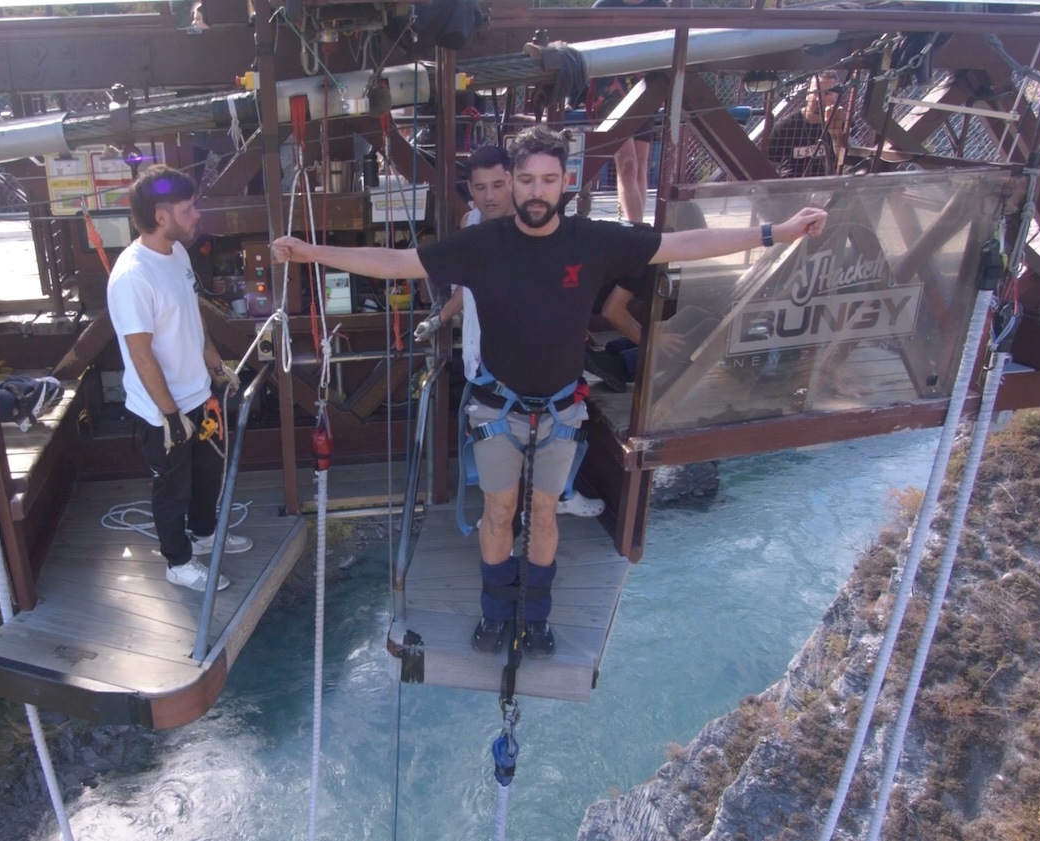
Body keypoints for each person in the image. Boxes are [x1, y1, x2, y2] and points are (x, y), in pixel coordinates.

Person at [273, 125, 827, 657]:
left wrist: (774, 233)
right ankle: (496, 611)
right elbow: (396, 262)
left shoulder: (593, 241)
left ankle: (533, 618)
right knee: (498, 511)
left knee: (543, 515)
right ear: (512, 183)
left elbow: (681, 243)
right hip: (498, 407)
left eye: (547, 179)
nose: (536, 192)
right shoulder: (482, 245)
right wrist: (313, 253)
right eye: (527, 180)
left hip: (561, 410)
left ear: (567, 183)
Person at [414, 145, 604, 518]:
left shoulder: (540, 232)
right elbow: (463, 289)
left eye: (499, 185)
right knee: (499, 461)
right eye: (480, 187)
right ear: (470, 188)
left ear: (513, 184)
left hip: (532, 367)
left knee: (542, 453)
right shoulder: (471, 226)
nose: (490, 196)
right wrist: (440, 317)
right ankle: (505, 521)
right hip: (481, 358)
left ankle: (555, 499)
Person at [108, 165, 250, 593]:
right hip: (161, 409)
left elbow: (192, 318)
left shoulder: (179, 254)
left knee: (209, 473)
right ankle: (178, 562)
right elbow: (140, 352)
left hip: (198, 393)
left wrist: (215, 364)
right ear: (161, 216)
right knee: (174, 488)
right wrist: (170, 416)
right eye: (188, 209)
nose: (197, 215)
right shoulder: (133, 276)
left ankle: (204, 536)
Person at [587, 0, 668, 224]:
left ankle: (637, 226)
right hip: (611, 93)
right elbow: (592, 50)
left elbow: (668, 47)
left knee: (640, 166)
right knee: (628, 164)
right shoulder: (604, 6)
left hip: (646, 90)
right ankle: (637, 229)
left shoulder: (658, 6)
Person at [765, 70, 848, 179]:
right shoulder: (785, 125)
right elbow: (770, 164)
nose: (819, 99)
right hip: (792, 185)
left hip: (828, 185)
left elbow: (847, 162)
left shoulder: (842, 121)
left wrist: (836, 135)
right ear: (807, 94)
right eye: (815, 92)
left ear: (836, 96)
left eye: (827, 93)